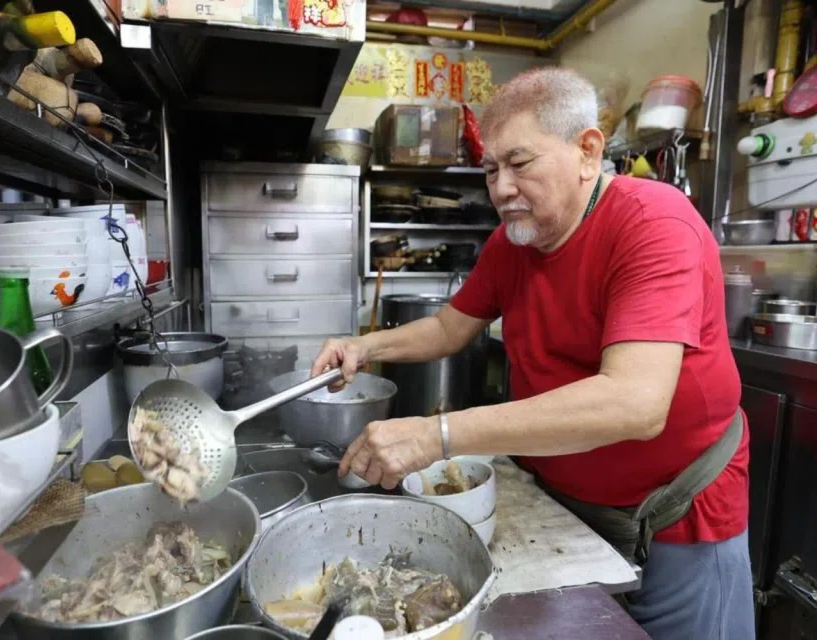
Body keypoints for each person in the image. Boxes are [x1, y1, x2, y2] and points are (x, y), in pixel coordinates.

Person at [310, 67, 754, 640]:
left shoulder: (653, 224)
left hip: (674, 521)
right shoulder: (512, 242)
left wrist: (434, 435)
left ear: (587, 152)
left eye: (519, 164)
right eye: (491, 170)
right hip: (566, 510)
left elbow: (635, 403)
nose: (500, 189)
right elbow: (449, 327)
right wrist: (362, 345)